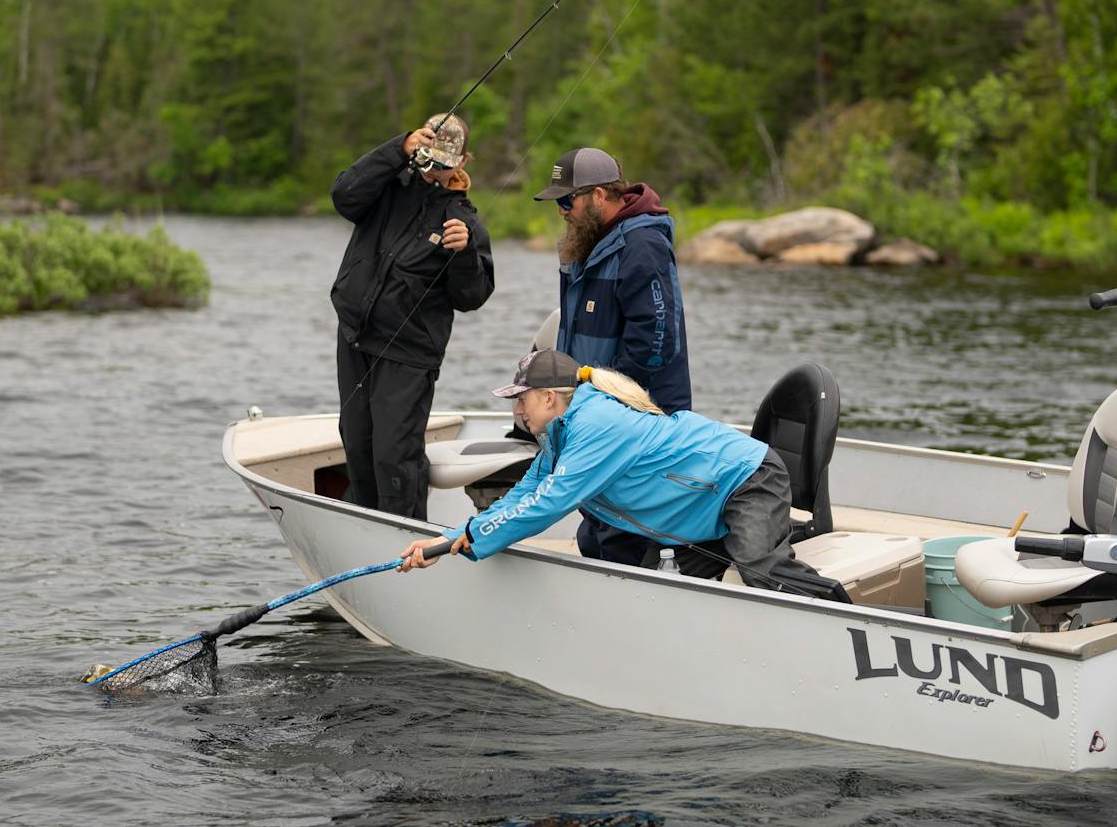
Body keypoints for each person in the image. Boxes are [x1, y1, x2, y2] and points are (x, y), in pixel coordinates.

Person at [395, 350, 837, 599]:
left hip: (747, 479)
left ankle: (845, 614)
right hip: (704, 505)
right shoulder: (560, 432)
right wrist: (447, 539)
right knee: (650, 590)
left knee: (762, 570)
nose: (516, 411)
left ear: (549, 398)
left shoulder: (597, 423)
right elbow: (529, 490)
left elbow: (551, 502)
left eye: (521, 400)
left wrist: (476, 532)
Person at [329, 113, 495, 518]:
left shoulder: (463, 219)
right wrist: (395, 148)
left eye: (444, 162)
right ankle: (362, 526)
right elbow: (343, 195)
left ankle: (404, 536)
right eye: (428, 158)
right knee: (357, 444)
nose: (435, 170)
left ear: (462, 162)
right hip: (355, 337)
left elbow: (471, 296)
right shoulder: (385, 187)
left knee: (394, 455)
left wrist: (464, 253)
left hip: (409, 353)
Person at [533, 146, 690, 564]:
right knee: (596, 533)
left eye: (568, 201)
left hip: (634, 423)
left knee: (624, 540)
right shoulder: (590, 243)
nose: (562, 210)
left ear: (599, 195)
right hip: (597, 417)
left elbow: (656, 343)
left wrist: (603, 405)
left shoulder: (643, 245)